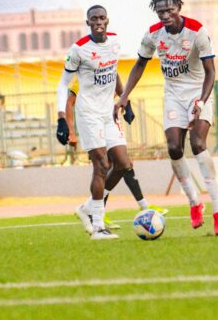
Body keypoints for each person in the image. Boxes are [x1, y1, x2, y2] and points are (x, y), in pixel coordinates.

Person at [115, 0, 218, 235]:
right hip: (174, 96)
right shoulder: (153, 34)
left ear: (179, 7)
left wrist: (201, 101)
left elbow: (211, 71)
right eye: (160, 12)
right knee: (174, 147)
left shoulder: (197, 31)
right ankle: (194, 202)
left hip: (199, 92)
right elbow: (140, 64)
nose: (165, 15)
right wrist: (124, 96)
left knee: (198, 144)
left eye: (169, 10)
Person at [56, 5, 148, 240]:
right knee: (101, 164)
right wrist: (61, 118)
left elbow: (113, 72)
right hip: (88, 113)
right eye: (93, 19)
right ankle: (98, 226)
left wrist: (125, 100)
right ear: (87, 23)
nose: (98, 21)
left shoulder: (115, 42)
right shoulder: (78, 49)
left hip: (109, 112)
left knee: (123, 164)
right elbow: (63, 84)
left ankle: (87, 208)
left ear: (107, 21)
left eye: (102, 18)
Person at [66, 75, 168, 231]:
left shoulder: (109, 66)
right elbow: (69, 102)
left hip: (110, 117)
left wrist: (127, 104)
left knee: (123, 164)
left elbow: (116, 81)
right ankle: (98, 214)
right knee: (104, 166)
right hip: (92, 121)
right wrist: (71, 132)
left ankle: (90, 207)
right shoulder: (82, 74)